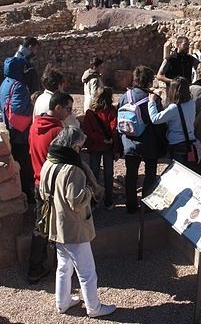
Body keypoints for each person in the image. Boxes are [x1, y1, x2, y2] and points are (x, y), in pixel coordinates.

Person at [39, 127, 116, 318]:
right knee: (87, 271)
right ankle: (94, 307)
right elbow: (76, 201)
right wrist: (90, 190)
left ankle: (62, 302)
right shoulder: (73, 169)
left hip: (56, 224)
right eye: (80, 146)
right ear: (73, 146)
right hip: (74, 227)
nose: (81, 149)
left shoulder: (49, 161)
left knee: (64, 266)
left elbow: (42, 192)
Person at [27, 91, 74, 284]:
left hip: (39, 183)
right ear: (58, 108)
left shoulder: (34, 126)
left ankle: (39, 266)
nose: (70, 113)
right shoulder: (58, 132)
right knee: (57, 227)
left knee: (41, 225)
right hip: (54, 186)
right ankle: (42, 267)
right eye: (68, 109)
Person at [118, 66, 167, 213]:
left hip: (129, 141)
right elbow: (158, 123)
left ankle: (131, 205)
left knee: (131, 174)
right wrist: (162, 143)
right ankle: (147, 204)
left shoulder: (125, 97)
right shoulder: (153, 98)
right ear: (148, 81)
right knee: (150, 172)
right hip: (148, 143)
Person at [0, 57, 35, 204]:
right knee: (25, 165)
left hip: (10, 129)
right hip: (20, 133)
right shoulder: (19, 85)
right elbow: (18, 110)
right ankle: (29, 196)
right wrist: (33, 107)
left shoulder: (5, 82)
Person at [82, 87, 120, 210]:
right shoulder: (112, 110)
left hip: (95, 146)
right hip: (108, 146)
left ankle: (94, 201)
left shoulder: (90, 112)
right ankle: (108, 201)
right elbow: (114, 129)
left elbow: (88, 131)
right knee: (109, 174)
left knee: (93, 174)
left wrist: (99, 139)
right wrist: (114, 146)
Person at [148, 77, 198, 165]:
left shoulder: (174, 108)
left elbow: (155, 119)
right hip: (190, 141)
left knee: (177, 170)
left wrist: (151, 102)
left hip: (177, 143)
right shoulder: (191, 103)